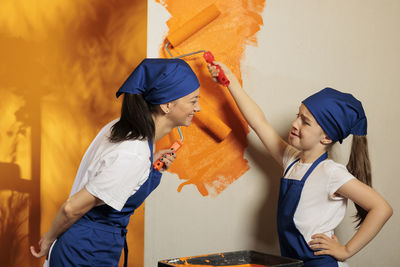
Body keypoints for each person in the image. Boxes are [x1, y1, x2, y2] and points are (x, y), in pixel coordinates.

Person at [208, 62, 392, 267]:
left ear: (326, 137)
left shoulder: (331, 172)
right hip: (293, 263)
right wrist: (229, 80)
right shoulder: (291, 160)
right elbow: (259, 123)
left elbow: (381, 208)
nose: (295, 124)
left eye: (305, 121)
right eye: (298, 116)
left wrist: (346, 250)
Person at [30, 58, 201, 266]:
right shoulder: (133, 153)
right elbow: (71, 208)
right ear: (167, 105)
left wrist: (149, 165)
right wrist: (48, 241)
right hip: (84, 254)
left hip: (94, 248)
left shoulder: (124, 130)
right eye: (193, 101)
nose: (198, 108)